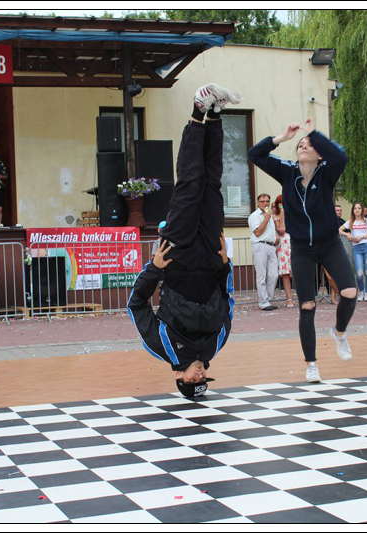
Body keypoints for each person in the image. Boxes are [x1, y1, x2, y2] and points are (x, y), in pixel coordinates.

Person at [127, 83, 240, 398]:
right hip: (210, 254)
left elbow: (136, 304)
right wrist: (225, 264)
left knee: (191, 185)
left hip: (175, 256)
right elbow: (227, 301)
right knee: (212, 185)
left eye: (192, 380)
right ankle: (215, 114)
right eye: (203, 379)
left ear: (179, 376)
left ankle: (197, 110)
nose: (199, 374)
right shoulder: (217, 344)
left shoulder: (161, 346)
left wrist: (154, 268)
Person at [249, 115, 356, 384]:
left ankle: (339, 333)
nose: (304, 146)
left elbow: (340, 156)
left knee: (350, 292)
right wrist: (281, 138)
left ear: (319, 155)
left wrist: (313, 133)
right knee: (307, 306)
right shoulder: (287, 172)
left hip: (329, 243)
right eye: (300, 145)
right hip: (301, 249)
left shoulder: (327, 172)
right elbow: (255, 154)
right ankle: (311, 365)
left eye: (309, 145)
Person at [249, 193, 279, 311]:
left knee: (273, 275)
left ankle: (268, 299)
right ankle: (263, 302)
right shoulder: (254, 216)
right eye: (263, 201)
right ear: (258, 203)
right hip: (260, 245)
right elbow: (257, 233)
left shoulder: (270, 215)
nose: (265, 203)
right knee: (261, 275)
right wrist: (266, 219)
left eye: (267, 201)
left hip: (271, 246)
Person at [340, 202, 367, 302]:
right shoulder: (350, 221)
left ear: (362, 210)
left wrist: (362, 236)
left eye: (359, 208)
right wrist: (348, 235)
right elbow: (339, 230)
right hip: (356, 248)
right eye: (355, 208)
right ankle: (361, 291)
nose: (357, 210)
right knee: (359, 272)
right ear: (353, 210)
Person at [272, 195, 294, 308]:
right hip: (284, 246)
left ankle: (304, 297)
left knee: (299, 271)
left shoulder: (294, 214)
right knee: (285, 273)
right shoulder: (276, 216)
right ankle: (289, 299)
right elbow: (281, 230)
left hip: (294, 243)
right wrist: (282, 214)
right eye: (280, 203)